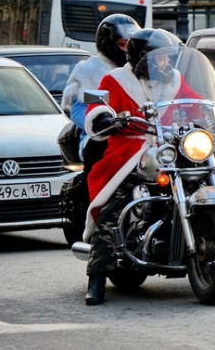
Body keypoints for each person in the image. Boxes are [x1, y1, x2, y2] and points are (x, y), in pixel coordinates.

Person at [81, 28, 200, 305]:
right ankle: (96, 277)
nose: (166, 64)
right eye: (160, 59)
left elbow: (194, 103)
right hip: (130, 152)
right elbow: (98, 108)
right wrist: (103, 119)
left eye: (169, 58)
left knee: (205, 177)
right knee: (115, 203)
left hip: (171, 150)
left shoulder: (175, 82)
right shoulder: (116, 80)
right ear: (142, 59)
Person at [62, 13, 141, 170]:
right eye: (122, 44)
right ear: (108, 44)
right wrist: (102, 121)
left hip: (139, 133)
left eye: (129, 45)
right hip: (105, 135)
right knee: (98, 153)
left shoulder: (139, 67)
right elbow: (76, 108)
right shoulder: (89, 69)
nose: (126, 50)